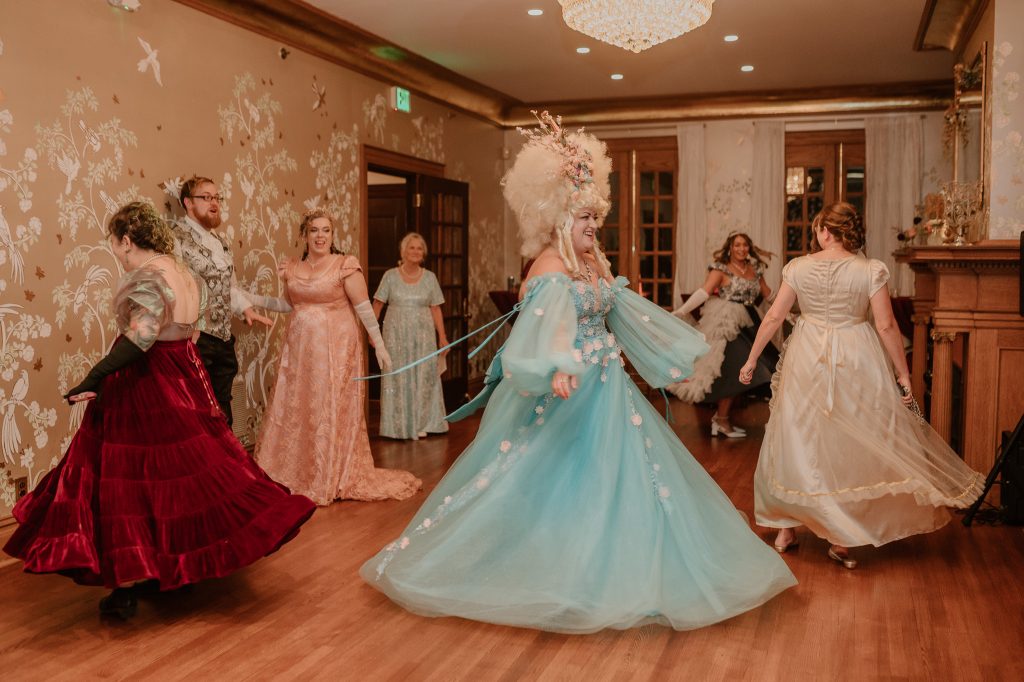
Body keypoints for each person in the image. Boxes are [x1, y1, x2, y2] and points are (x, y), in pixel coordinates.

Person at [360, 112, 796, 634]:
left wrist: (672, 340)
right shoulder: (548, 267)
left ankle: (613, 567)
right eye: (584, 217)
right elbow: (546, 329)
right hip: (568, 390)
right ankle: (538, 567)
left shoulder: (594, 262)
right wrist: (558, 365)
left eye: (595, 216)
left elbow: (616, 309)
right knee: (543, 478)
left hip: (608, 387)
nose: (594, 226)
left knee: (622, 477)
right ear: (556, 219)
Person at [3, 202, 315, 618]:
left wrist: (92, 378)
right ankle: (170, 569)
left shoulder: (149, 276)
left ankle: (128, 584)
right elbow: (193, 329)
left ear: (127, 241)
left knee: (126, 480)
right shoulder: (183, 271)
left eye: (114, 244)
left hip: (147, 378)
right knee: (172, 478)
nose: (115, 252)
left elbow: (141, 339)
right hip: (184, 365)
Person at [739, 202, 984, 569]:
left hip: (807, 356)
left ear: (825, 231)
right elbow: (886, 327)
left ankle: (786, 528)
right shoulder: (869, 270)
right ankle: (841, 538)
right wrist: (903, 374)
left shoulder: (798, 267)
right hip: (855, 356)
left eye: (819, 228)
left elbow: (774, 316)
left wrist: (752, 357)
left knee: (796, 434)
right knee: (848, 441)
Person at [254, 209, 421, 505]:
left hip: (336, 350)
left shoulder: (344, 266)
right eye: (314, 231)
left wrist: (379, 344)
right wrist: (251, 300)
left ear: (333, 235)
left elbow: (364, 309)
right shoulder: (292, 267)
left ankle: (329, 475)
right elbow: (286, 305)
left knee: (328, 407)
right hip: (300, 352)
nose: (320, 236)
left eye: (326, 231)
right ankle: (299, 471)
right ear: (305, 236)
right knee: (302, 408)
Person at [173, 175, 288, 426]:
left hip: (223, 338)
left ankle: (225, 463)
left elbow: (230, 287)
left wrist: (245, 308)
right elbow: (174, 286)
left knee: (222, 404)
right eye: (206, 197)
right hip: (195, 337)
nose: (214, 203)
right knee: (195, 407)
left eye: (217, 197)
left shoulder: (221, 242)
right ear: (188, 203)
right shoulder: (175, 237)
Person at [670, 233, 778, 438]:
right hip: (725, 324)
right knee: (733, 370)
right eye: (737, 245)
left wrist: (789, 308)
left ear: (749, 248)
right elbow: (704, 292)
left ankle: (722, 420)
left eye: (745, 245)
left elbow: (768, 294)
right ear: (730, 248)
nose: (741, 248)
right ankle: (721, 420)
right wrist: (683, 310)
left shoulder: (755, 270)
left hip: (749, 323)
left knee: (764, 367)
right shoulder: (720, 269)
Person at [372, 232, 449, 440]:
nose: (415, 252)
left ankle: (423, 422)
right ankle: (396, 425)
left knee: (424, 375)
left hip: (423, 335)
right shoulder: (390, 276)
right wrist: (373, 333)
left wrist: (442, 336)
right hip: (395, 333)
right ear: (403, 251)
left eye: (419, 248)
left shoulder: (430, 277)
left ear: (423, 253)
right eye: (411, 247)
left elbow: (435, 309)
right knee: (396, 374)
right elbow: (377, 305)